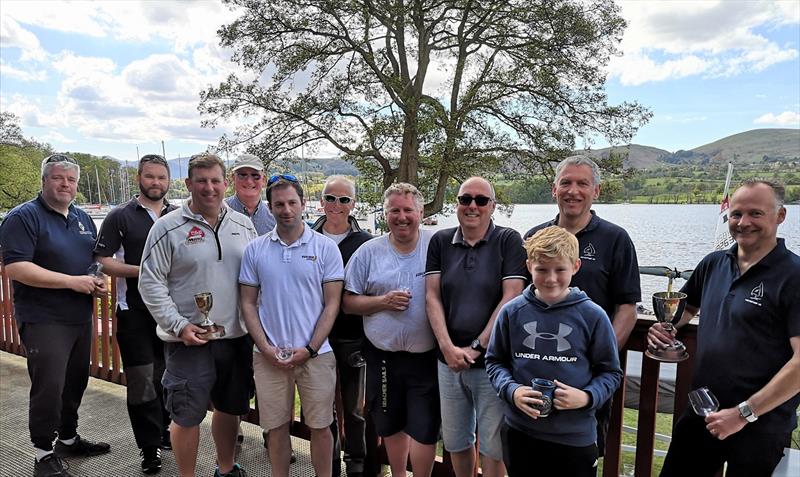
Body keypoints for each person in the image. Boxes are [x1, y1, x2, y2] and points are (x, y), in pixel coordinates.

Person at [648, 179, 800, 477]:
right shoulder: (714, 263)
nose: (743, 222)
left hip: (761, 423)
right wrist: (665, 329)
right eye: (736, 214)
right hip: (702, 411)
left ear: (780, 216)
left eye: (756, 213)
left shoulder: (794, 276)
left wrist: (744, 413)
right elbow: (685, 311)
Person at [139, 153, 257, 477]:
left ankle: (225, 467)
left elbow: (257, 278)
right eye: (201, 181)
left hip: (236, 338)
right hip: (189, 340)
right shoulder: (167, 228)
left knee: (230, 409)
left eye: (215, 180)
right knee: (186, 415)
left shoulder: (244, 225)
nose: (209, 188)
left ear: (225, 183)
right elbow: (149, 283)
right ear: (189, 184)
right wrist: (178, 326)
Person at [0, 154, 111, 477]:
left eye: (71, 180)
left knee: (76, 380)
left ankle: (68, 437)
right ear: (44, 180)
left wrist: (96, 280)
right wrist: (71, 282)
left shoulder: (81, 218)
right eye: (58, 178)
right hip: (43, 318)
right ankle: (43, 453)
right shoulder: (23, 217)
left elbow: (92, 260)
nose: (65, 184)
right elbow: (16, 268)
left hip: (79, 315)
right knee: (48, 386)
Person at [523, 155, 640, 454]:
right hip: (536, 372)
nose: (573, 190)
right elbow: (523, 302)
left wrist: (601, 359)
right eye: (566, 182)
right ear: (554, 189)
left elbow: (627, 307)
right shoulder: (534, 238)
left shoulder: (616, 239)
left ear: (596, 191)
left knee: (581, 455)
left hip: (587, 381)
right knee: (530, 454)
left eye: (582, 183)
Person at [486, 226, 623, 477]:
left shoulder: (593, 316)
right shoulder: (511, 312)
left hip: (574, 438)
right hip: (520, 433)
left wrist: (587, 397)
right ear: (529, 267)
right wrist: (512, 390)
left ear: (576, 266)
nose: (551, 279)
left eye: (560, 269)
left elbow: (611, 373)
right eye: (541, 270)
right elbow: (495, 362)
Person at [239, 174, 344, 477]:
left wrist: (310, 348)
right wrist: (265, 348)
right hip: (269, 356)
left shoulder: (325, 248)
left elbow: (332, 304)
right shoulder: (256, 249)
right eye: (279, 204)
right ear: (270, 207)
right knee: (275, 428)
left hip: (317, 354)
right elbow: (247, 303)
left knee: (321, 426)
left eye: (292, 202)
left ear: (303, 204)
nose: (286, 209)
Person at [425, 177, 526, 477]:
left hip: (493, 363)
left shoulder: (508, 240)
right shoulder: (440, 241)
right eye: (465, 199)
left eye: (481, 200)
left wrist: (476, 347)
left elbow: (512, 297)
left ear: (492, 207)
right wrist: (447, 347)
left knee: (494, 447)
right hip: (448, 363)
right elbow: (431, 296)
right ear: (456, 204)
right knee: (456, 442)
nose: (472, 206)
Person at [343, 183, 440, 477]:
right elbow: (347, 302)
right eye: (394, 210)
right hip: (383, 357)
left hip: (426, 356)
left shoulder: (436, 245)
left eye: (408, 210)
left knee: (424, 428)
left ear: (421, 212)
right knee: (391, 423)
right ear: (385, 214)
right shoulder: (369, 251)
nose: (401, 217)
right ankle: (398, 475)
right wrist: (382, 302)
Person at [93, 154, 176, 474]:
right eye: (150, 176)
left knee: (169, 378)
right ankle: (148, 447)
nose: (156, 182)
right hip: (134, 313)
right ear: (140, 178)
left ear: (169, 182)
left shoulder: (178, 214)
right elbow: (104, 260)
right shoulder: (120, 216)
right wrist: (145, 271)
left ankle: (165, 430)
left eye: (161, 177)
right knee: (142, 382)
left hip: (171, 313)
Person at [310, 176, 376, 477]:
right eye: (330, 198)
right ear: (321, 200)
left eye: (344, 199)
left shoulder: (367, 244)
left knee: (354, 406)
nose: (337, 205)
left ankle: (357, 461)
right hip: (314, 336)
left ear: (354, 204)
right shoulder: (306, 237)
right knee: (323, 405)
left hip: (353, 336)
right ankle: (330, 463)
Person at [225, 153, 276, 235]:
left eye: (255, 175)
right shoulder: (219, 212)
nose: (249, 181)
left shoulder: (275, 216)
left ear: (264, 180)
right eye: (242, 175)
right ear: (233, 178)